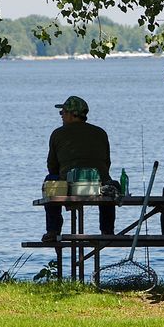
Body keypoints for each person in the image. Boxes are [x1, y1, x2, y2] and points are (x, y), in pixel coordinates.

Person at [43, 95, 116, 241]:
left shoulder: (58, 134)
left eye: (62, 112)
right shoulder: (100, 132)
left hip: (70, 186)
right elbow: (106, 163)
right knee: (110, 185)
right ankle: (107, 231)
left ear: (71, 114)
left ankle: (53, 230)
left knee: (50, 181)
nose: (61, 116)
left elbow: (52, 167)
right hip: (99, 185)